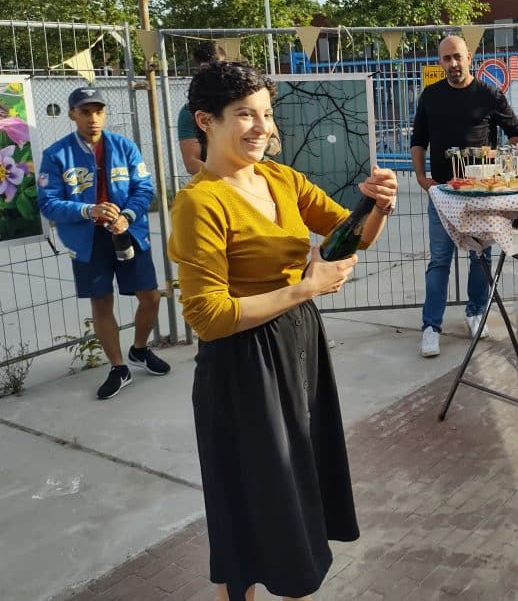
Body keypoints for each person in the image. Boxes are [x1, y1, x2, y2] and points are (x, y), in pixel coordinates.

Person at [168, 61, 397, 601]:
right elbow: (207, 316)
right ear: (206, 120)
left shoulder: (281, 178)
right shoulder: (199, 202)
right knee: (252, 504)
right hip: (243, 367)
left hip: (299, 347)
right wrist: (305, 287)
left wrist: (378, 203)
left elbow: (353, 235)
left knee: (294, 486)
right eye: (244, 115)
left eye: (266, 114)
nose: (261, 127)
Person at [38, 86, 168, 400]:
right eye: (85, 111)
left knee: (150, 297)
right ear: (72, 114)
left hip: (128, 232)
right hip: (87, 240)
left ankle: (139, 349)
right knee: (101, 302)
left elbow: (144, 188)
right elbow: (48, 202)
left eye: (98, 111)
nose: (93, 118)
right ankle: (118, 367)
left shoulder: (124, 147)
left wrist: (126, 215)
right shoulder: (56, 154)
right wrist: (87, 209)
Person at [410, 34, 518, 358]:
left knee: (480, 258)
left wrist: (505, 163)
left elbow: (516, 133)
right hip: (443, 194)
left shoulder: (488, 93)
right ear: (440, 62)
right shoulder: (431, 96)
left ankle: (476, 312)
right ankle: (431, 327)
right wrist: (422, 178)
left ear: (469, 57)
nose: (452, 64)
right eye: (446, 59)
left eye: (457, 57)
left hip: (480, 195)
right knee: (439, 262)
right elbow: (418, 140)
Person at [178, 40, 226, 176]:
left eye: (218, 66)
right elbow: (192, 163)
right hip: (217, 185)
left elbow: (274, 146)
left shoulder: (243, 100)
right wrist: (230, 180)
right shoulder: (190, 112)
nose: (214, 73)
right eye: (207, 68)